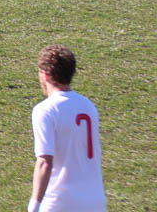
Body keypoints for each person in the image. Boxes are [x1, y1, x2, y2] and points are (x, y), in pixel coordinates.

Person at [29, 44, 106, 212]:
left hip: (60, 202)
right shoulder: (88, 106)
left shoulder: (45, 110)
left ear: (46, 74)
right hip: (95, 202)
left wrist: (34, 205)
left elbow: (44, 162)